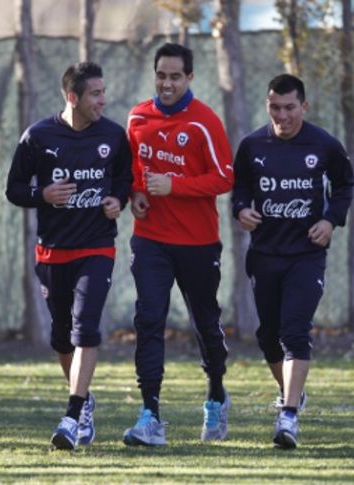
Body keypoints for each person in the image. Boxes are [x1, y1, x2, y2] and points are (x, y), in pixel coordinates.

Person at [6, 61, 132, 450]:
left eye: (103, 92)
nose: (102, 100)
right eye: (95, 93)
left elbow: (123, 179)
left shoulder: (113, 135)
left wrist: (117, 199)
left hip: (96, 247)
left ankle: (72, 415)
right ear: (72, 97)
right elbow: (14, 189)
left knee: (86, 328)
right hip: (52, 251)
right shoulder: (38, 136)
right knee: (62, 339)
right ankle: (85, 400)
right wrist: (41, 195)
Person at [232, 74, 354, 449]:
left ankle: (288, 416)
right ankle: (291, 393)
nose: (282, 115)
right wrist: (241, 210)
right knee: (268, 337)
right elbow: (240, 188)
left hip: (306, 255)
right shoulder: (252, 145)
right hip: (265, 254)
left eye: (289, 108)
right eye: (275, 107)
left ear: (304, 106)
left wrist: (329, 220)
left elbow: (345, 185)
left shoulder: (324, 145)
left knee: (294, 331)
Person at [123, 42, 234, 446]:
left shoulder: (205, 122)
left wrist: (175, 186)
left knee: (204, 322)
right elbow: (135, 168)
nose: (167, 83)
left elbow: (224, 177)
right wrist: (137, 192)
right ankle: (150, 414)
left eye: (175, 76)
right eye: (161, 75)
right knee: (149, 319)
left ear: (190, 78)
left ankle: (217, 393)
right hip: (151, 239)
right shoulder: (137, 117)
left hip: (198, 243)